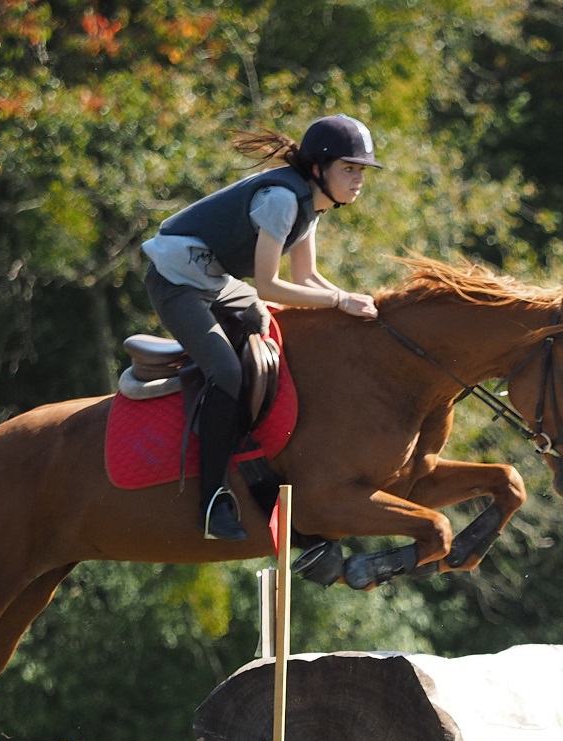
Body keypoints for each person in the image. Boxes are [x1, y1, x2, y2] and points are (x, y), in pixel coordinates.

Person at [141, 114, 383, 540]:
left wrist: (350, 304)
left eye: (361, 170)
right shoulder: (282, 201)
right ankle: (212, 499)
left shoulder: (311, 204)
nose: (358, 179)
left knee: (262, 321)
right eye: (349, 168)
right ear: (317, 168)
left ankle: (254, 447)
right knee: (228, 372)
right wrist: (340, 301)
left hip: (213, 280)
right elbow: (269, 283)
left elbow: (307, 278)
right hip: (177, 282)